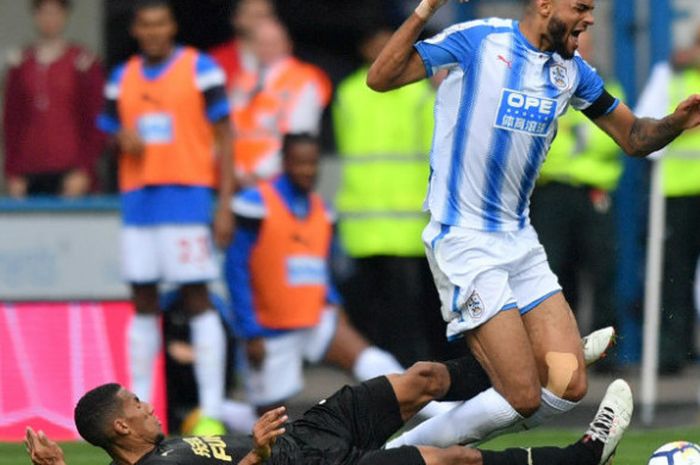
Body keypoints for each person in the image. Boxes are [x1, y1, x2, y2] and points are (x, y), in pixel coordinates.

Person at [367, 0, 700, 449]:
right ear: (545, 5)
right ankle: (395, 457)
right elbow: (381, 78)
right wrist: (425, 10)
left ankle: (413, 443)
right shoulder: (479, 40)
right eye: (581, 7)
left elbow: (633, 136)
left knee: (568, 385)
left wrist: (676, 123)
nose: (590, 19)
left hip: (521, 242)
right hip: (465, 239)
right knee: (521, 393)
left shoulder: (573, 72)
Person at [224, 133, 453, 420]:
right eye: (299, 163)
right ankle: (215, 412)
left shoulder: (321, 210)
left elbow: (319, 266)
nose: (307, 170)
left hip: (314, 315)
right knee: (267, 422)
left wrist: (333, 301)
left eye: (312, 163)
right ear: (284, 162)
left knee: (370, 358)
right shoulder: (255, 204)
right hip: (270, 327)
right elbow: (235, 269)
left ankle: (439, 412)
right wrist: (250, 330)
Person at [25, 363, 633, 465]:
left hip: (308, 432)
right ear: (121, 427)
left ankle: (529, 364)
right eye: (137, 404)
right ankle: (583, 456)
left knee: (419, 380)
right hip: (299, 461)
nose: (149, 404)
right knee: (456, 458)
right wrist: (259, 452)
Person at [96, 0, 235, 434]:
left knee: (197, 298)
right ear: (136, 30)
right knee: (142, 301)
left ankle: (209, 410)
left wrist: (225, 201)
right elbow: (107, 131)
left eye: (161, 23)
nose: (154, 32)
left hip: (188, 199)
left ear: (172, 25)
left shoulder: (200, 68)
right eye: (146, 25)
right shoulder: (122, 78)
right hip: (139, 204)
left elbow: (226, 136)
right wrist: (121, 136)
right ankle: (140, 410)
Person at [333, 27, 452, 366]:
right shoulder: (351, 93)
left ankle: (408, 369)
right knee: (376, 308)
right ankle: (386, 370)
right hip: (367, 221)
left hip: (405, 223)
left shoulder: (417, 93)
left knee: (409, 310)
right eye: (377, 40)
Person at [529, 31, 624, 370]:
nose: (581, 43)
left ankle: (606, 357)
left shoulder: (600, 83)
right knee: (552, 273)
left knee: (602, 271)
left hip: (592, 190)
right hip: (550, 190)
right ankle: (560, 355)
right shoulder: (539, 80)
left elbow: (614, 137)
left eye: (587, 36)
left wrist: (570, 134)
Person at [634, 25, 700, 373]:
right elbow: (644, 131)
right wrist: (679, 121)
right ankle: (672, 352)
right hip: (676, 193)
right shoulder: (670, 75)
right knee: (675, 274)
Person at [2, 0, 104, 197]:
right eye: (44, 13)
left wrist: (85, 169)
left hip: (72, 170)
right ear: (35, 16)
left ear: (65, 16)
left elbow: (95, 120)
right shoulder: (20, 63)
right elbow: (11, 121)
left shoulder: (83, 62)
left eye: (55, 13)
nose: (50, 19)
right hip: (28, 170)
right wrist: (11, 172)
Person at [228, 18, 331, 186]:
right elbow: (230, 130)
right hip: (237, 180)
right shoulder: (243, 80)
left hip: (280, 178)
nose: (266, 48)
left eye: (272, 42)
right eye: (260, 42)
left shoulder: (303, 79)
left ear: (288, 44)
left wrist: (260, 172)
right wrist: (235, 173)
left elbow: (300, 137)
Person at [209, 0, 277, 87]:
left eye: (266, 15)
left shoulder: (285, 59)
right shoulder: (215, 60)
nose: (260, 22)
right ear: (236, 19)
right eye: (254, 15)